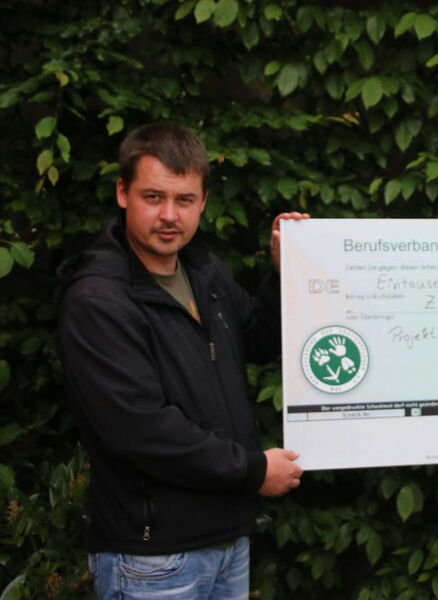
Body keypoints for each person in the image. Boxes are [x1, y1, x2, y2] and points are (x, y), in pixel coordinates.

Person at [57, 122, 308, 599]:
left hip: (227, 541)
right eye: (154, 197)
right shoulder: (99, 301)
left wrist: (283, 275)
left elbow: (257, 341)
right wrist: (253, 471)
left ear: (203, 202)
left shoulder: (203, 272)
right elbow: (141, 430)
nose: (170, 215)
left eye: (185, 200)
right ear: (123, 193)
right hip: (153, 558)